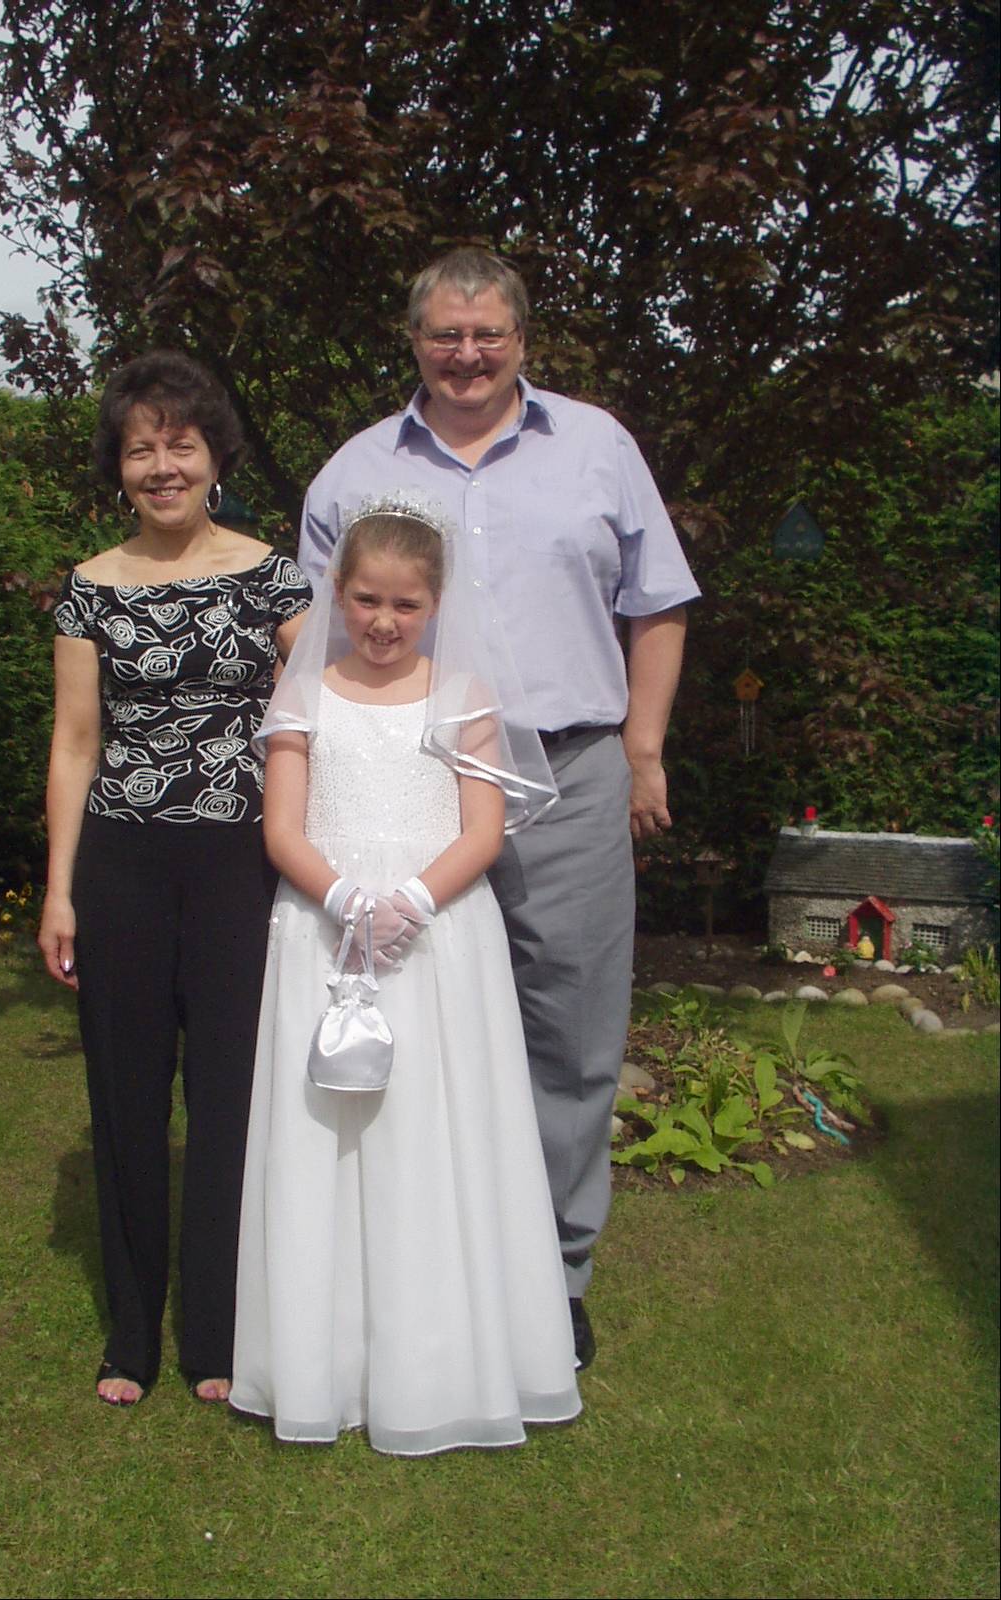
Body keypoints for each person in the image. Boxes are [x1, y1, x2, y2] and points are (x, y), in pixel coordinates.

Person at [298, 248, 700, 1370]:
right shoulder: (356, 472)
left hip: (569, 776)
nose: (467, 355)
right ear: (414, 341)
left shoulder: (598, 447)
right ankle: (423, 1264)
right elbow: (312, 636)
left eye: (488, 334)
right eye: (445, 334)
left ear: (523, 338)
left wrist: (645, 750)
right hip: (415, 787)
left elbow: (660, 605)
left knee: (573, 1034)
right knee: (420, 1026)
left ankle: (555, 1277)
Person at [230, 494, 580, 1454]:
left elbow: (482, 828)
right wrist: (346, 901)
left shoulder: (462, 694)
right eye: (367, 600)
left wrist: (414, 902)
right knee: (326, 1137)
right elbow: (282, 828)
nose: (384, 622)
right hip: (324, 929)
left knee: (435, 1129)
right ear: (338, 594)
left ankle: (442, 1357)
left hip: (437, 938)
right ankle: (323, 1363)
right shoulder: (303, 695)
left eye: (406, 605)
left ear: (435, 604)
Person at [37, 350, 311, 1406]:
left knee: (233, 1093)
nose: (162, 466)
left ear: (213, 457)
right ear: (119, 467)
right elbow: (75, 742)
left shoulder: (273, 576)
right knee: (126, 1092)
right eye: (140, 449)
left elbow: (325, 716)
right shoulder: (89, 589)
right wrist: (59, 889)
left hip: (239, 860)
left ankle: (217, 1332)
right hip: (123, 863)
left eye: (181, 445)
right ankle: (130, 1334)